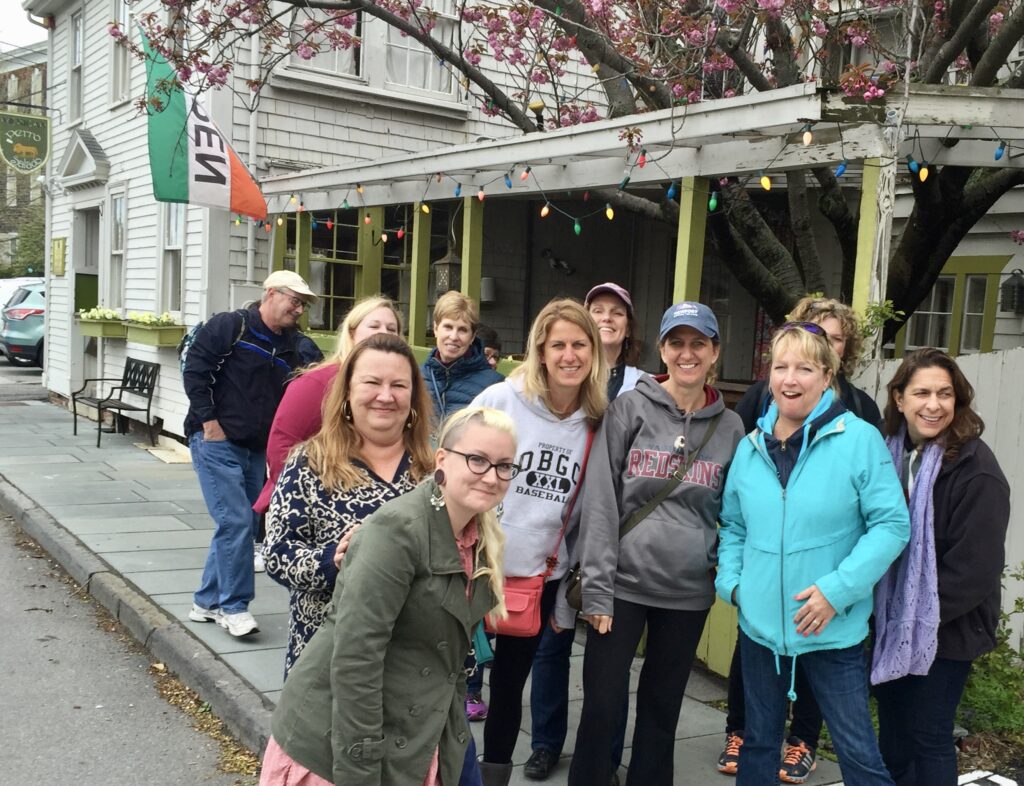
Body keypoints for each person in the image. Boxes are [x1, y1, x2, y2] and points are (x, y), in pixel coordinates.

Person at [261, 406, 518, 786]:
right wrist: (361, 772)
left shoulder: (478, 535)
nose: (491, 476)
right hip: (339, 743)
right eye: (478, 460)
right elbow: (356, 660)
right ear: (443, 460)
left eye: (504, 466)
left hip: (420, 727)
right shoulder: (396, 531)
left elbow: (450, 659)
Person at [715, 322, 910, 786]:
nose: (790, 379)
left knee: (857, 753)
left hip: (831, 630)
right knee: (759, 744)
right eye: (780, 367)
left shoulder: (860, 440)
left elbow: (892, 525)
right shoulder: (750, 448)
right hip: (761, 631)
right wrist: (735, 585)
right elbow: (734, 526)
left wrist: (836, 591)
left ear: (827, 375)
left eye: (804, 368)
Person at [564, 302, 744, 786]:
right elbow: (601, 501)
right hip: (621, 586)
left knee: (662, 712)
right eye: (677, 343)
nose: (687, 353)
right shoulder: (630, 409)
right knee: (602, 707)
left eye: (698, 344)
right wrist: (597, 587)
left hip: (687, 592)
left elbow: (737, 513)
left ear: (714, 352)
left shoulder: (730, 428)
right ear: (663, 349)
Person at [472, 298, 608, 786]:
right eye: (559, 345)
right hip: (474, 566)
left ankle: (492, 776)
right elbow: (451, 468)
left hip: (538, 577)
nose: (569, 355)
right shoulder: (500, 400)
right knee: (446, 681)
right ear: (541, 351)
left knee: (509, 689)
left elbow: (591, 509)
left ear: (594, 352)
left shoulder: (597, 421)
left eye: (579, 344)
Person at [523, 281, 646, 782]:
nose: (606, 318)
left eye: (617, 311)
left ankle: (606, 755)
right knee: (551, 649)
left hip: (611, 537)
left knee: (607, 664)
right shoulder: (559, 380)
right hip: (560, 540)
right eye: (597, 309)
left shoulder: (641, 384)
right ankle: (546, 742)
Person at [873, 348, 1009, 786]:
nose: (934, 404)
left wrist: (911, 616)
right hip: (888, 624)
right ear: (899, 399)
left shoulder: (976, 470)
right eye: (923, 392)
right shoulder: (885, 454)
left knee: (927, 737)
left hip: (946, 631)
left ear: (958, 400)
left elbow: (976, 570)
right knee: (893, 737)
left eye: (945, 394)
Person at [263, 333, 433, 675]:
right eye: (372, 382)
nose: (386, 396)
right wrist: (332, 560)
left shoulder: (434, 470)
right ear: (348, 392)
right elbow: (277, 554)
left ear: (413, 397)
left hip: (413, 666)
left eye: (398, 385)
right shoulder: (310, 463)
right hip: (328, 661)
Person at [184, 270, 317, 638]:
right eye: (295, 300)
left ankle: (206, 602)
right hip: (215, 441)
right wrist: (209, 422)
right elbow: (196, 370)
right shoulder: (231, 326)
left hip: (256, 448)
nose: (298, 309)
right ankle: (234, 607)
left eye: (303, 304)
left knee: (234, 525)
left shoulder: (296, 345)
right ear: (271, 294)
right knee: (238, 523)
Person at [253, 295, 403, 515]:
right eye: (374, 325)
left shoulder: (400, 388)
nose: (384, 333)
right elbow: (280, 448)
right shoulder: (317, 382)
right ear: (352, 333)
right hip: (312, 505)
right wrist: (309, 498)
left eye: (392, 328)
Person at [422, 291, 503, 420]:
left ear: (472, 337)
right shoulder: (417, 378)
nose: (454, 337)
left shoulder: (495, 385)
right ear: (435, 329)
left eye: (462, 330)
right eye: (448, 327)